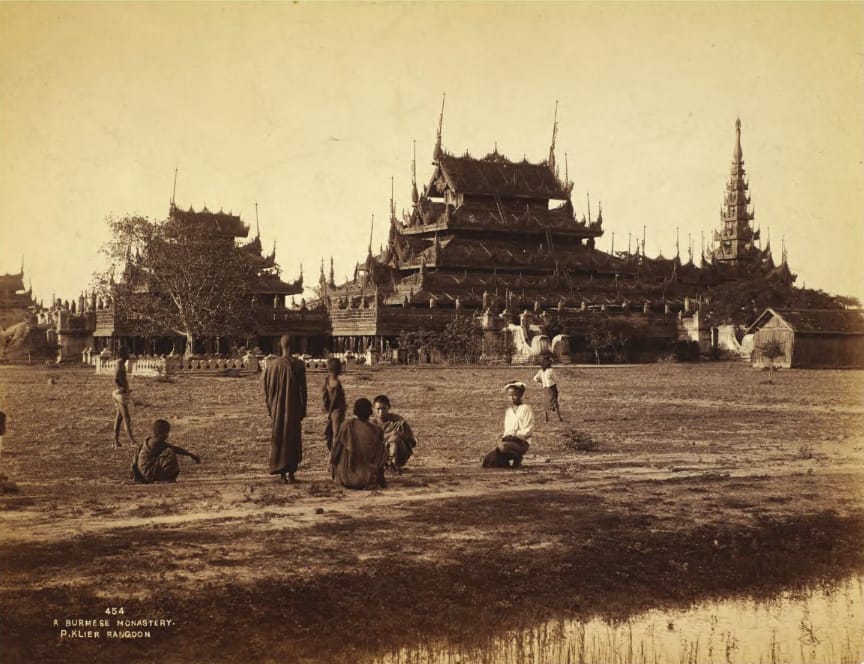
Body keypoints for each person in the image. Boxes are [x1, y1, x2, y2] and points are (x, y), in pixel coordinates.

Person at [263, 335, 308, 484]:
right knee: (292, 438)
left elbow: (266, 390)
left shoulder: (271, 365)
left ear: (280, 346)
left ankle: (281, 473)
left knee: (279, 437)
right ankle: (290, 473)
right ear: (293, 347)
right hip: (293, 407)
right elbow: (304, 390)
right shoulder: (299, 365)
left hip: (276, 406)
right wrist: (303, 409)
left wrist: (270, 407)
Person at [330, 398, 386, 490]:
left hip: (346, 478)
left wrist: (332, 465)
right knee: (383, 449)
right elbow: (380, 455)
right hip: (367, 478)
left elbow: (336, 451)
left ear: (355, 412)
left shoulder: (346, 425)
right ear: (371, 412)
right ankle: (380, 477)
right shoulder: (377, 430)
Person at [482, 381, 535, 469]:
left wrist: (515, 435)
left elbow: (529, 430)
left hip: (521, 442)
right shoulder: (509, 411)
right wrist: (502, 437)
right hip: (509, 441)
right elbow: (507, 430)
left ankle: (518, 458)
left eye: (515, 395)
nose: (512, 398)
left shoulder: (526, 409)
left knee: (503, 447)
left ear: (521, 394)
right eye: (509, 395)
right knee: (489, 459)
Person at [132, 419, 200, 483]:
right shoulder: (156, 442)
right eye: (167, 432)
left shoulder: (150, 440)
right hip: (148, 472)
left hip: (144, 471)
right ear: (162, 433)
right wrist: (191, 455)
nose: (167, 435)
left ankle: (159, 476)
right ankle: (165, 478)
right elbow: (174, 449)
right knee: (169, 452)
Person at [373, 395, 417, 473]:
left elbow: (412, 442)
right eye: (378, 409)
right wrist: (389, 435)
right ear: (374, 409)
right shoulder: (371, 424)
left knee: (395, 439)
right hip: (377, 456)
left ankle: (394, 464)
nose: (381, 412)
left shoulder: (398, 421)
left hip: (399, 454)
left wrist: (401, 435)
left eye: (383, 408)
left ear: (389, 408)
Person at [112, 349, 137, 449]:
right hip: (120, 394)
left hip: (123, 392)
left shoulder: (122, 363)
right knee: (127, 418)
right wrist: (121, 388)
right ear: (123, 354)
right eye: (127, 353)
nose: (129, 355)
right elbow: (116, 378)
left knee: (119, 418)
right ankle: (132, 441)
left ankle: (115, 441)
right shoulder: (119, 363)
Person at [322, 358, 346, 451]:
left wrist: (327, 410)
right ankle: (335, 454)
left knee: (333, 432)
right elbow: (335, 400)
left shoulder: (327, 379)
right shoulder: (336, 383)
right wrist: (330, 412)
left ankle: (333, 450)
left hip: (333, 411)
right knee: (337, 434)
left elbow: (324, 397)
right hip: (337, 411)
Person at [533, 355, 563, 422]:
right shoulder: (551, 370)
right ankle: (559, 418)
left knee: (546, 402)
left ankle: (546, 418)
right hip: (551, 388)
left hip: (545, 388)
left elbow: (535, 378)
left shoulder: (541, 371)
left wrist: (542, 382)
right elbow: (556, 379)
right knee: (554, 402)